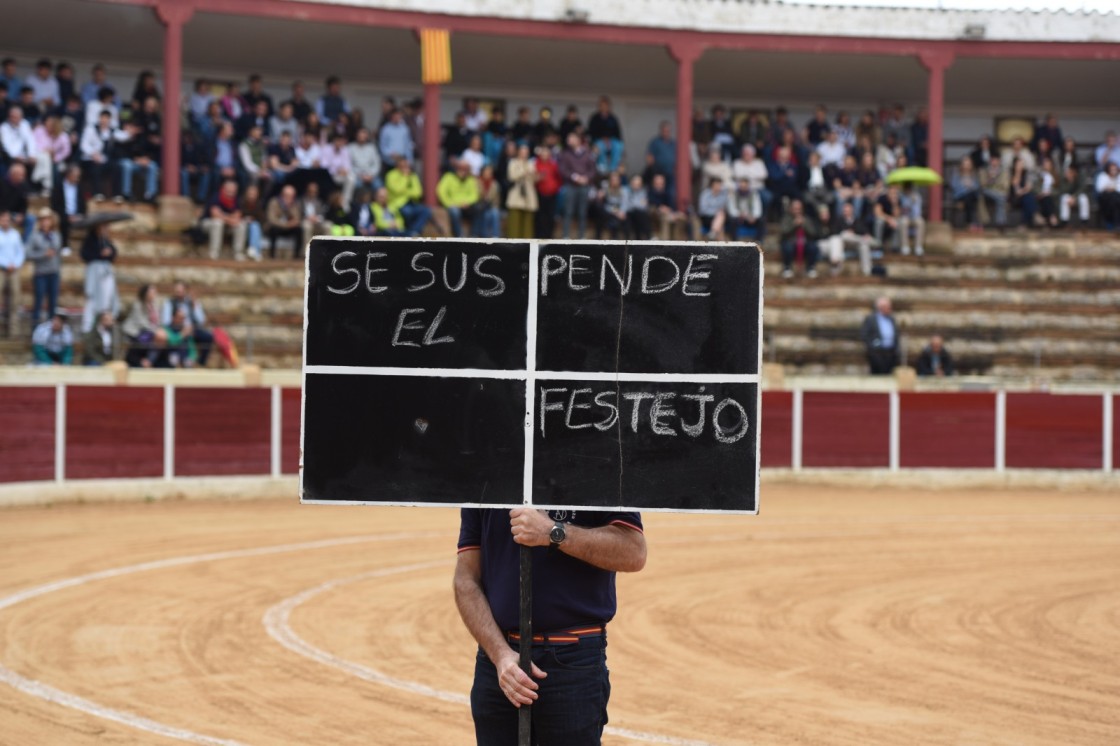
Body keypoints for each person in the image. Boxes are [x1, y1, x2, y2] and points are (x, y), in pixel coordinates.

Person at [453, 507, 646, 744]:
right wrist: (500, 655)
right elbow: (466, 578)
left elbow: (633, 552)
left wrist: (553, 532)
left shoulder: (599, 471)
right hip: (497, 664)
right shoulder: (487, 474)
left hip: (573, 659)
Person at [80, 222, 119, 332]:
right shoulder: (90, 241)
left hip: (106, 276)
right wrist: (99, 253)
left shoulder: (106, 241)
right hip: (94, 275)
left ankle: (103, 325)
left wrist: (109, 252)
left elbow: (114, 253)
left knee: (106, 301)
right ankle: (88, 328)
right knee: (92, 302)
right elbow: (85, 255)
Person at [25, 207, 61, 326]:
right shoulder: (34, 236)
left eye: (48, 219)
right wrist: (43, 254)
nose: (45, 222)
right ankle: (35, 331)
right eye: (43, 219)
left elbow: (58, 250)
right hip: (40, 274)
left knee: (53, 304)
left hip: (54, 273)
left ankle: (51, 331)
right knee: (38, 302)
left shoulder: (56, 235)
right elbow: (28, 254)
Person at [557, 133, 596, 239]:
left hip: (584, 186)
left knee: (582, 211)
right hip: (570, 185)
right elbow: (562, 169)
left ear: (578, 140)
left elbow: (592, 169)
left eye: (571, 138)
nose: (568, 139)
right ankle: (566, 235)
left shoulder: (587, 153)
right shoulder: (565, 154)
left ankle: (581, 236)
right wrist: (574, 177)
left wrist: (586, 178)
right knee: (568, 211)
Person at [824, 200, 874, 276]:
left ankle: (867, 271)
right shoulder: (838, 220)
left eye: (847, 210)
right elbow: (834, 232)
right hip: (843, 242)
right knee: (843, 236)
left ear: (852, 210)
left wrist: (854, 231)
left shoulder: (858, 220)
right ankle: (835, 271)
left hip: (855, 243)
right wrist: (847, 231)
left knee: (864, 246)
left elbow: (864, 231)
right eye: (844, 210)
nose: (846, 212)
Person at [384, 157, 431, 236]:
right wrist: (405, 177)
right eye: (403, 166)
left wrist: (405, 192)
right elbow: (396, 190)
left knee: (426, 210)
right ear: (397, 166)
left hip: (412, 203)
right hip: (397, 204)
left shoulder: (412, 175)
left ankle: (413, 232)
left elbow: (418, 193)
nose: (405, 168)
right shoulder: (391, 175)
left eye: (407, 166)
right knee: (407, 212)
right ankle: (407, 233)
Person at [204, 180, 247, 260]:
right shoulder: (216, 197)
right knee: (218, 223)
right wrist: (229, 219)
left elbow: (238, 215)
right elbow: (215, 215)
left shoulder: (237, 199)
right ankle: (214, 252)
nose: (231, 193)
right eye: (229, 191)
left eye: (233, 191)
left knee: (241, 224)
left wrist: (225, 217)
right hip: (208, 223)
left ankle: (238, 252)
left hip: (227, 224)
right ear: (223, 189)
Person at [778, 198, 821, 279]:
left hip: (804, 244)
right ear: (791, 208)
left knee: (813, 247)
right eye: (795, 208)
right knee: (787, 247)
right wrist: (794, 224)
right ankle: (787, 268)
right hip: (790, 244)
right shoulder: (786, 218)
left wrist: (804, 224)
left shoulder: (806, 219)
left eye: (799, 209)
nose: (797, 211)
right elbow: (783, 232)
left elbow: (814, 233)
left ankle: (811, 268)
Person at [437, 159, 481, 238]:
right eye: (460, 169)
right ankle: (459, 236)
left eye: (465, 169)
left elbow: (475, 194)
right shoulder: (448, 177)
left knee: (478, 209)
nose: (462, 171)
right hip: (453, 205)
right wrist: (451, 203)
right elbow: (441, 192)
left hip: (467, 205)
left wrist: (467, 202)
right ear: (456, 169)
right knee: (454, 211)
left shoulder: (470, 179)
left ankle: (474, 236)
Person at [860, 296, 901, 375]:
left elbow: (896, 334)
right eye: (887, 307)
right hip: (877, 352)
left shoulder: (891, 319)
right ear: (880, 307)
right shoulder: (871, 319)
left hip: (890, 352)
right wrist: (872, 346)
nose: (889, 309)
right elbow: (864, 334)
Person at [505, 143, 538, 240]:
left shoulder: (531, 163)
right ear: (518, 152)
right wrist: (524, 172)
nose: (524, 154)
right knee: (514, 227)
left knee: (528, 227)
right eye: (523, 152)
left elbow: (534, 179)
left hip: (529, 196)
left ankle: (527, 248)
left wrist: (536, 176)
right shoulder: (513, 162)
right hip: (516, 195)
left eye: (526, 152)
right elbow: (511, 176)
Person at [0, 210, 24, 337]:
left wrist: (15, 264)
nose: (5, 221)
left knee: (15, 299)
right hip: (1, 268)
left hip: (14, 268)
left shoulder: (15, 234)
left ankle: (13, 332)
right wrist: (5, 264)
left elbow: (20, 251)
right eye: (3, 219)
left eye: (7, 219)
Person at [266, 184, 303, 259]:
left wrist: (289, 208)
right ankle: (272, 255)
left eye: (291, 196)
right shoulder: (274, 202)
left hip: (289, 227)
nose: (289, 198)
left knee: (299, 230)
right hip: (278, 226)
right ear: (282, 194)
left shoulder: (295, 203)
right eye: (287, 195)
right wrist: (286, 224)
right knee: (273, 230)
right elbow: (272, 219)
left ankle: (297, 255)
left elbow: (297, 218)